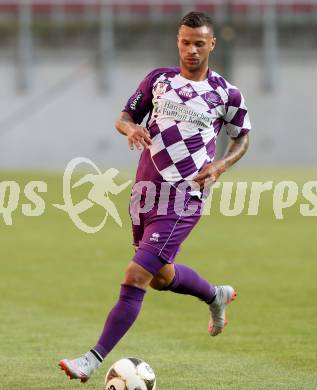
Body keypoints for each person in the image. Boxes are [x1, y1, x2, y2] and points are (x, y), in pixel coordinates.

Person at [59, 11, 251, 383]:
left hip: (184, 198)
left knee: (136, 276)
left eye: (199, 43)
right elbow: (124, 116)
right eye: (185, 41)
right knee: (161, 276)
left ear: (212, 44)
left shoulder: (226, 93)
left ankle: (92, 359)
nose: (192, 50)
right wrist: (130, 128)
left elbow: (242, 137)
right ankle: (215, 295)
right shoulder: (158, 80)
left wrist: (222, 165)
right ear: (177, 41)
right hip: (145, 195)